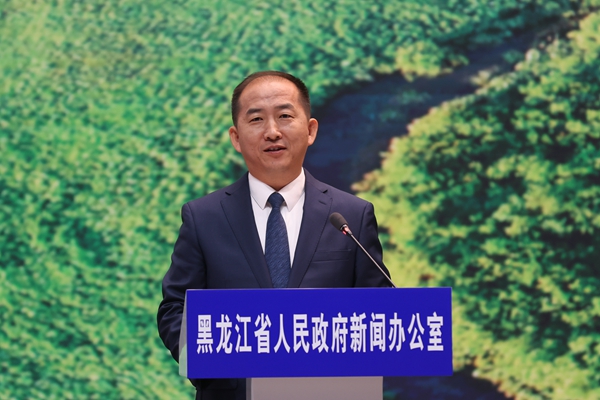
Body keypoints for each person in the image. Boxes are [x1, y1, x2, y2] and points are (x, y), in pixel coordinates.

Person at [157, 71, 390, 400]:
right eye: (256, 119)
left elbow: (378, 309)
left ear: (310, 130)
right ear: (236, 138)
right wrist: (211, 366)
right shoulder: (203, 217)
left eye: (284, 116)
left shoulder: (351, 214)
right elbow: (175, 308)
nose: (272, 132)